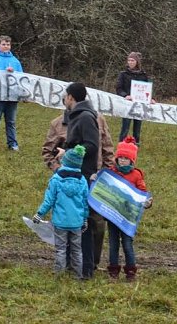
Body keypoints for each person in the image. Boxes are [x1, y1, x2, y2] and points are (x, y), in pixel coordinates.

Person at [42, 109, 113, 270]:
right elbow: (47, 151)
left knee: (97, 222)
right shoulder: (57, 124)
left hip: (95, 179)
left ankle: (92, 263)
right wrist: (59, 171)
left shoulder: (98, 120)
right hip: (68, 185)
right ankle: (67, 262)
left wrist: (106, 172)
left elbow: (107, 147)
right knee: (67, 221)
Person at [58, 82, 100, 278]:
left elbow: (91, 145)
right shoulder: (77, 115)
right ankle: (72, 265)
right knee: (71, 220)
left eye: (66, 96)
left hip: (83, 175)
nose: (64, 99)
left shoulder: (85, 117)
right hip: (73, 173)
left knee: (83, 223)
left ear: (71, 98)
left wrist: (68, 152)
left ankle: (86, 268)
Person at [32, 145, 89, 279]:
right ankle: (78, 275)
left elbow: (49, 200)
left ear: (65, 162)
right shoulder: (83, 181)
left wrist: (39, 214)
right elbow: (85, 203)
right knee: (77, 250)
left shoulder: (56, 179)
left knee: (61, 249)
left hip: (60, 222)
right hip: (77, 222)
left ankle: (59, 275)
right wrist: (85, 219)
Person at [106, 135, 152, 281]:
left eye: (126, 158)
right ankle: (113, 270)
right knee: (113, 243)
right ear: (117, 158)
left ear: (132, 160)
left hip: (128, 217)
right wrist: (95, 178)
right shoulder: (111, 172)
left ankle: (130, 270)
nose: (123, 160)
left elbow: (142, 193)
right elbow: (104, 185)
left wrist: (148, 202)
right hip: (113, 215)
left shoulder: (136, 175)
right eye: (121, 158)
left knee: (127, 243)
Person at [115, 52, 150, 143]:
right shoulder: (123, 74)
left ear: (137, 62)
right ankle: (121, 145)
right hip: (127, 104)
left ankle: (135, 146)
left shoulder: (143, 75)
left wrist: (151, 98)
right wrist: (125, 95)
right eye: (129, 60)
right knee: (125, 128)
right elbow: (118, 88)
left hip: (139, 105)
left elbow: (147, 89)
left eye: (132, 60)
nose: (130, 62)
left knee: (137, 128)